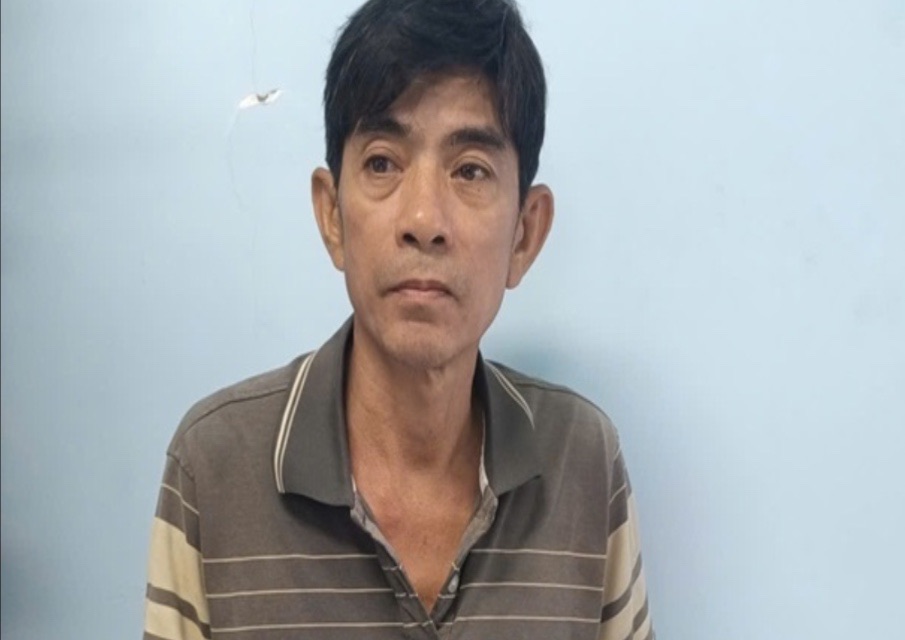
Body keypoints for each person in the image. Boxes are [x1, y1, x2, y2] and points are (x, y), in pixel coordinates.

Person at [142, 0, 654, 638]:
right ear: (332, 215)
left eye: (470, 170)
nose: (423, 220)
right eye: (383, 162)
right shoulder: (213, 468)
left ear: (525, 234)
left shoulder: (584, 461)